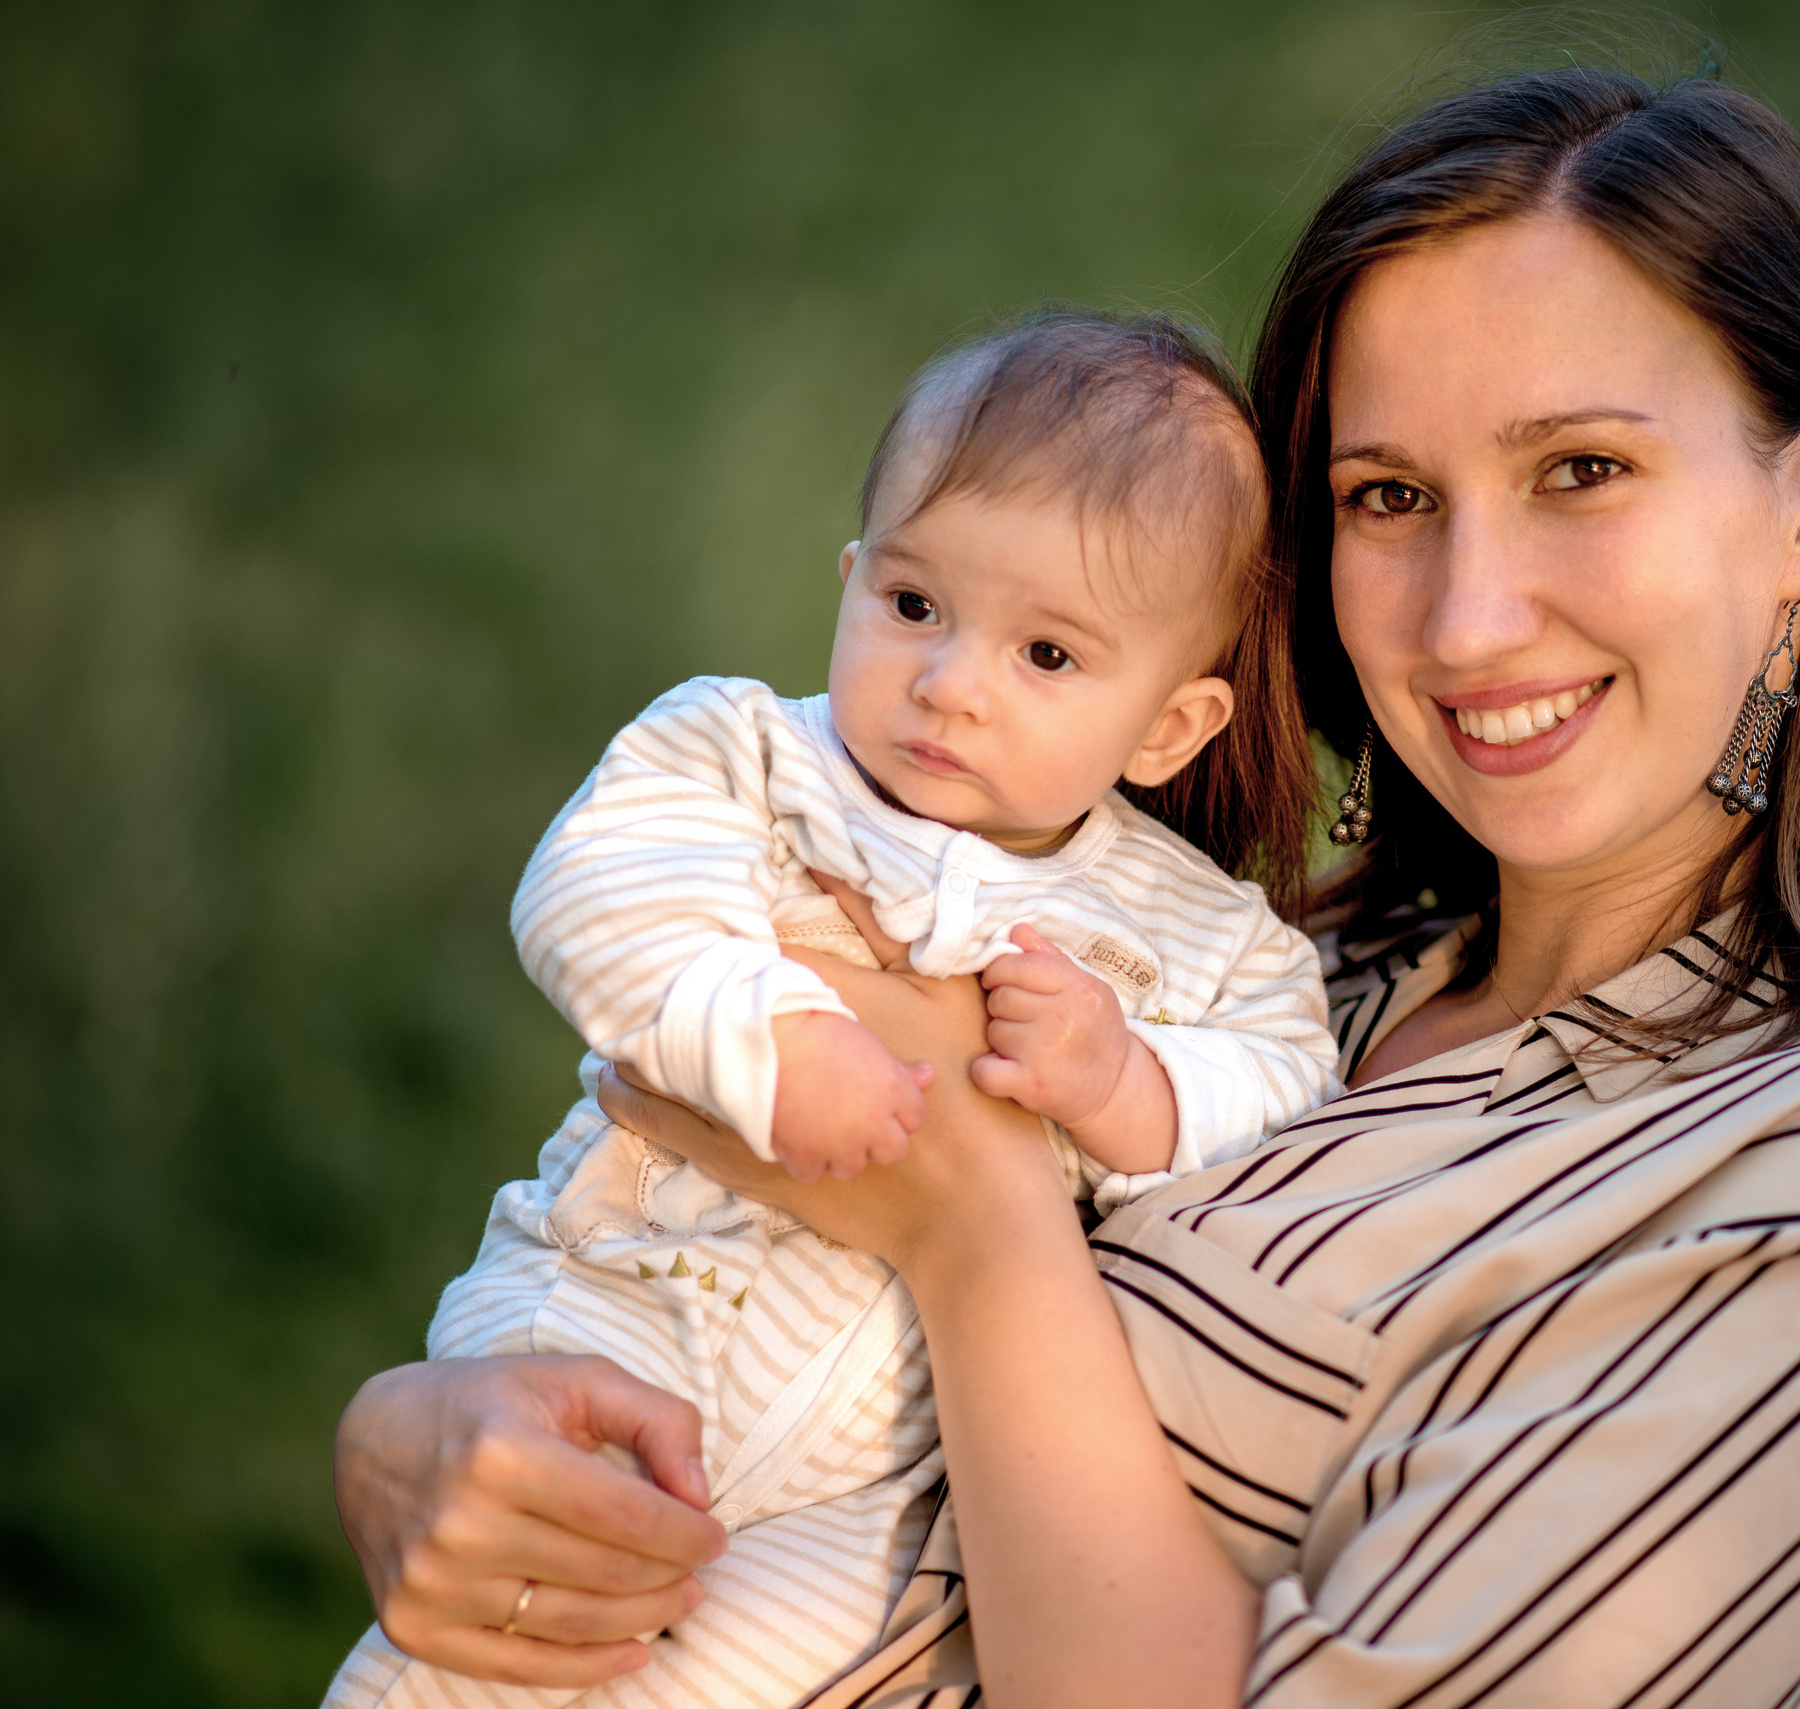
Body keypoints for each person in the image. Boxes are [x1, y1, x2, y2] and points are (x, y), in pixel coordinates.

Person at [329, 67, 1800, 1709]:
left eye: (1581, 469)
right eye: (1390, 497)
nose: (1467, 615)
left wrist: (973, 1218)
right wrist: (417, 1446)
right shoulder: (1313, 962)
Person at [324, 312, 1338, 1708]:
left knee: (748, 1670)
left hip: (874, 1466)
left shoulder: (1200, 931)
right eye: (917, 606)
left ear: (1169, 726)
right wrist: (774, 1035)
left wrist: (1126, 1081)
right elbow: (596, 889)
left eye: (1047, 656)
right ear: (852, 577)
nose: (950, 685)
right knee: (513, 1628)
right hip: (627, 1303)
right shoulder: (745, 754)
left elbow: (1290, 1077)